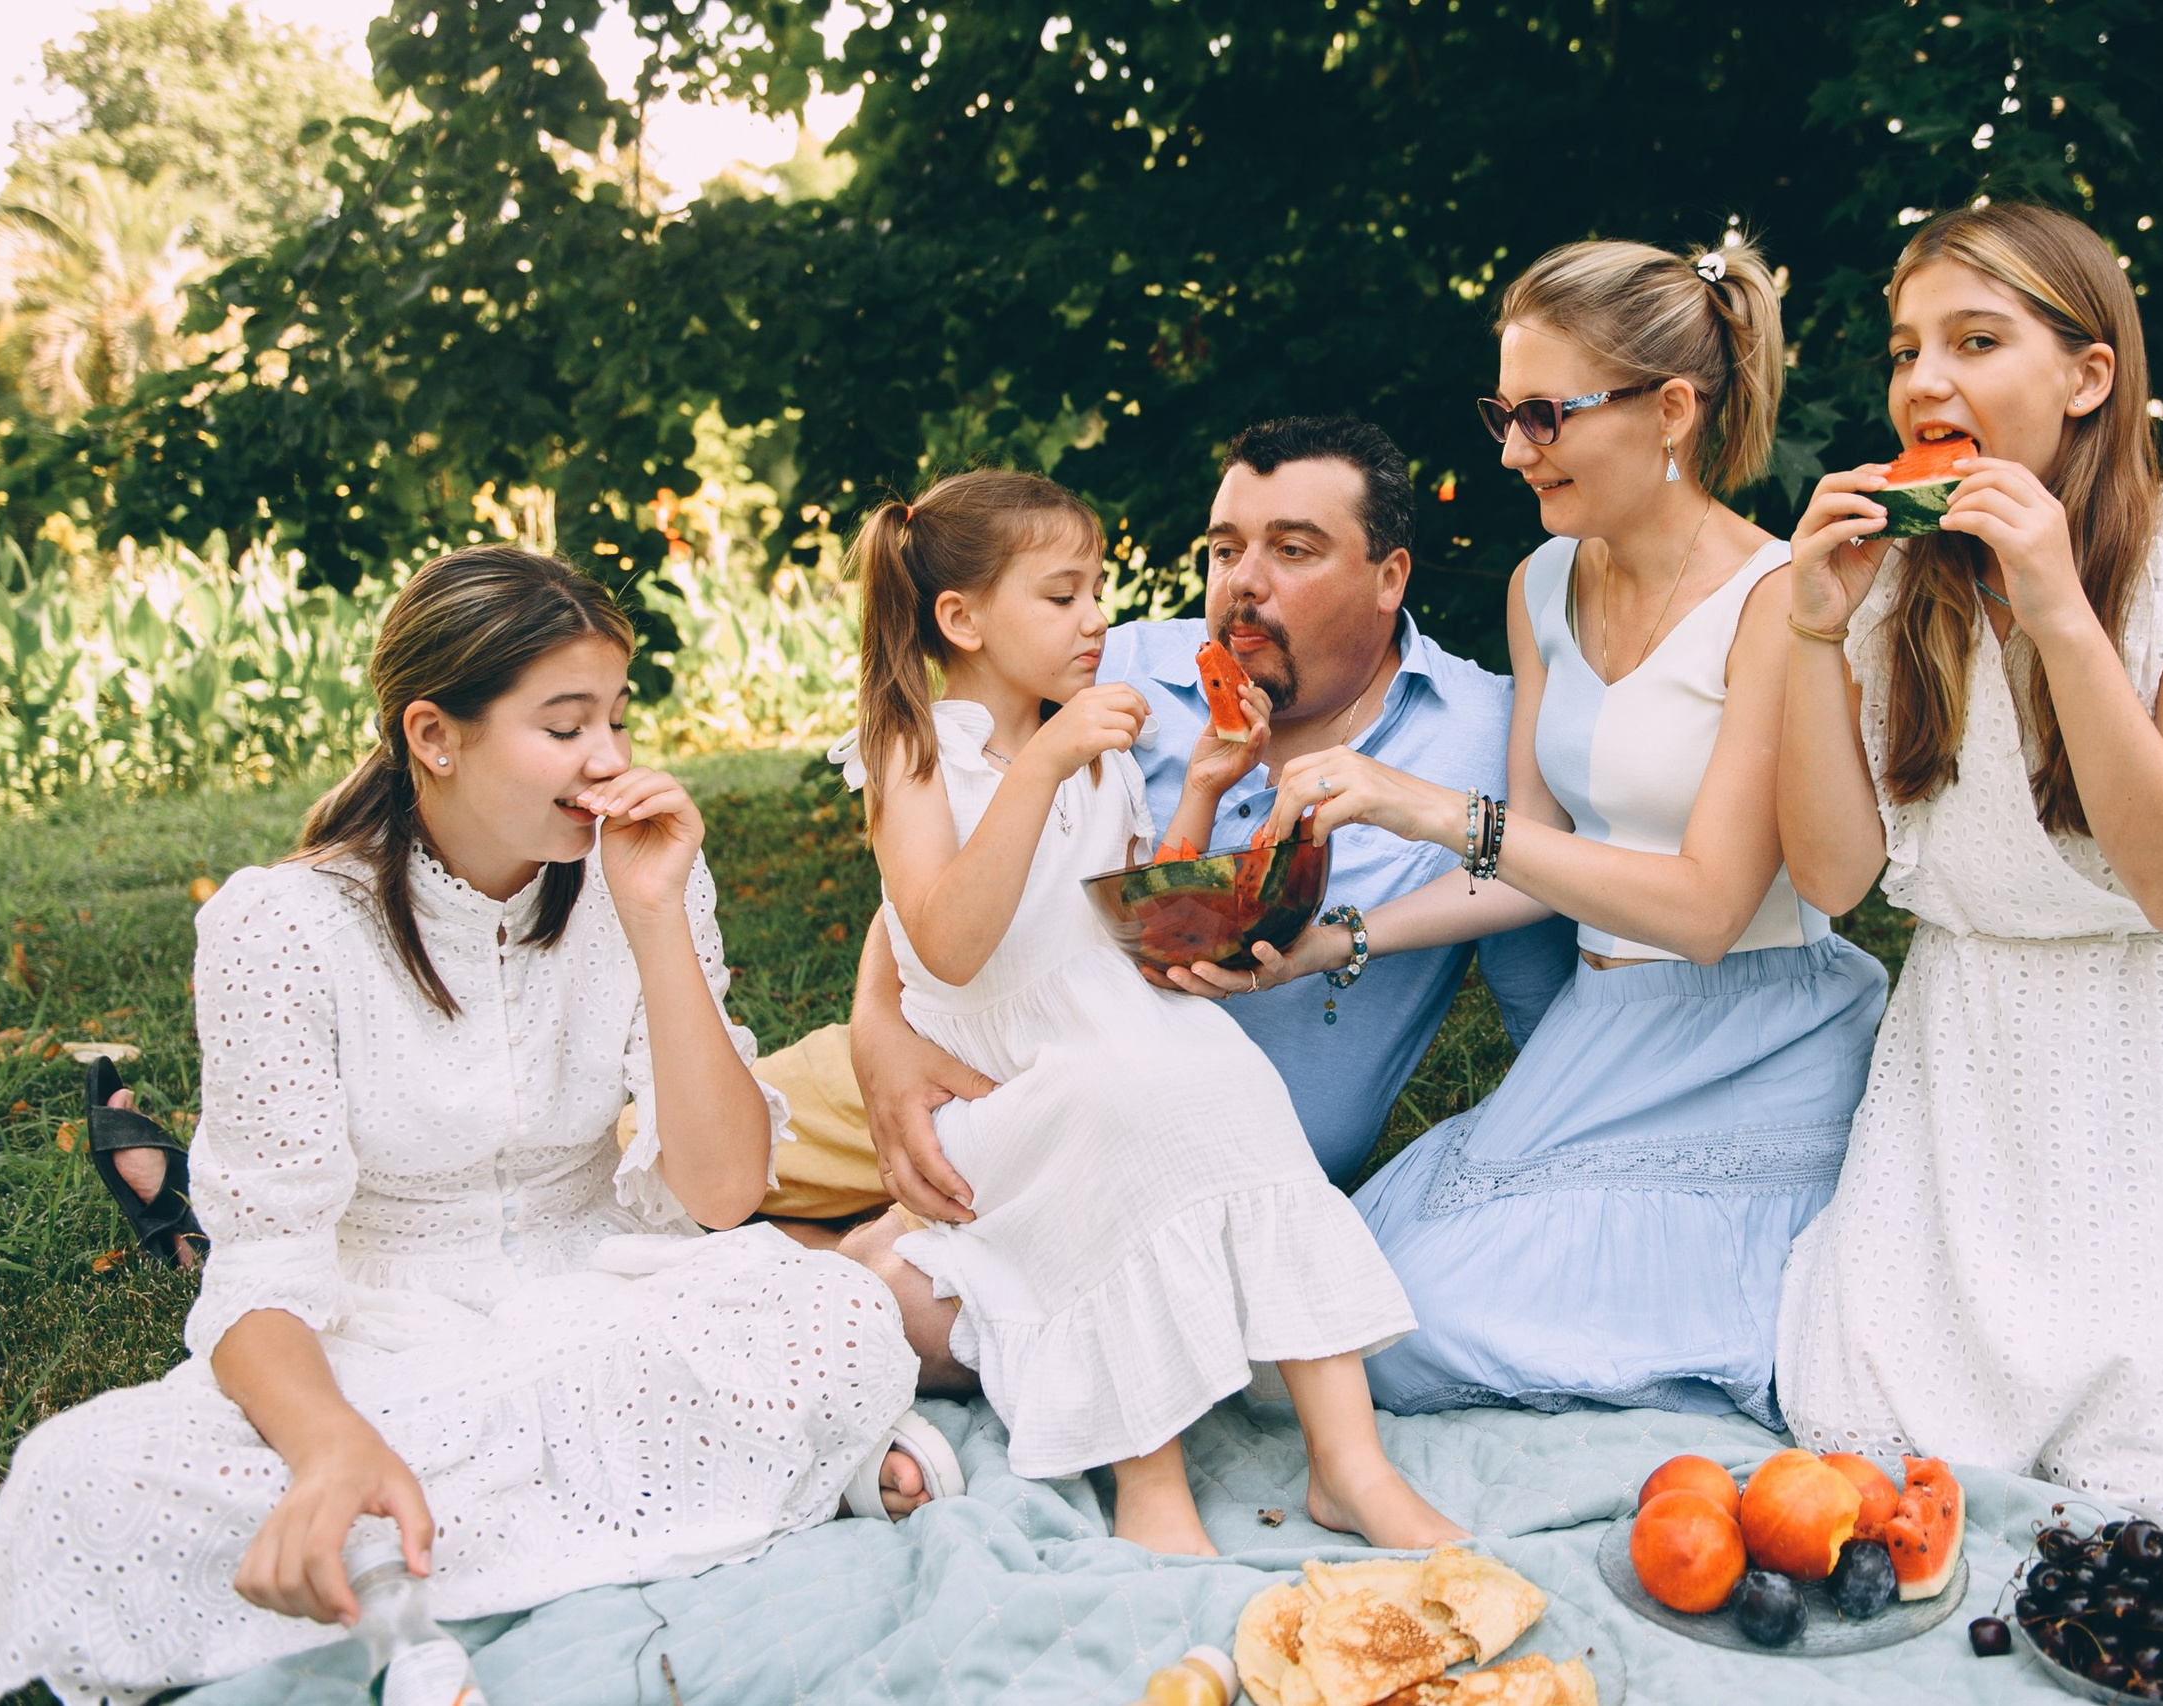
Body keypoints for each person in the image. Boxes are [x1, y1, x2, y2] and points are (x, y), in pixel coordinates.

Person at [0, 548, 952, 1705]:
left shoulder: (645, 877)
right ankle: (698, 1489)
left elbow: (725, 1192)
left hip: (606, 1299)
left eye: (616, 719)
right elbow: (262, 1278)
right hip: (375, 1337)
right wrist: (332, 1443)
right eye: (565, 725)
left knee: (824, 1306)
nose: (611, 759)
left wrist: (653, 921)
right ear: (434, 736)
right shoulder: (279, 928)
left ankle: (419, 1555)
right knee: (76, 1479)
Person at [1769, 201, 2163, 1517]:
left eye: (1976, 339)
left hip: (2159, 1069)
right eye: (1905, 348)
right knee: (1864, 1426)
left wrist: (2057, 606)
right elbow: (1828, 879)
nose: (1926, 378)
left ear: (2088, 375)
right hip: (1960, 1070)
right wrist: (1814, 637)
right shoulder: (1895, 581)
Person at [1241, 236, 1887, 1425]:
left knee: (1405, 1332)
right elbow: (1526, 873)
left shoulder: (1773, 597)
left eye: (1544, 414)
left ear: (1671, 411)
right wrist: (1332, 940)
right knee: (1325, 1314)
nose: (1510, 449)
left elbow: (1702, 909)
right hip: (1601, 1035)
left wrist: (1435, 810)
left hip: (1752, 1035)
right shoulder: (1542, 583)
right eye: (1502, 411)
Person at [833, 466, 1461, 1557]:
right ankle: (1149, 1473)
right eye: (1063, 594)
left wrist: (1207, 791)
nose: (1097, 619)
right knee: (1117, 1107)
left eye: (1098, 589)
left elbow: (1129, 914)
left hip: (1121, 1025)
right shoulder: (912, 747)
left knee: (1235, 1084)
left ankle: (1348, 1464)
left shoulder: (1086, 742)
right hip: (1014, 1078)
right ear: (960, 617)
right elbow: (948, 940)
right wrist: (1043, 763)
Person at [755, 417, 1577, 1237]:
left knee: (896, 1298)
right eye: (1225, 550)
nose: (1243, 583)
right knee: (672, 1155)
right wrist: (878, 1033)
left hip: (1202, 1162)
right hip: (965, 1063)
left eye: (1292, 550)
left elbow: (1544, 988)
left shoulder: (1484, 738)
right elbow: (945, 854)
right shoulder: (1104, 670)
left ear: (1387, 577)